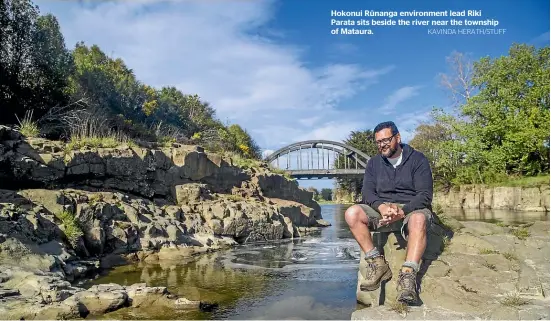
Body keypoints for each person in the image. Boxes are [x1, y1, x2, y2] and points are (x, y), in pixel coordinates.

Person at [344, 121, 434, 305]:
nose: (382, 145)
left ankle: (408, 277)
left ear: (398, 138)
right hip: (383, 209)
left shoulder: (418, 159)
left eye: (386, 140)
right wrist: (382, 207)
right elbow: (367, 193)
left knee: (418, 219)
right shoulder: (374, 164)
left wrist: (403, 211)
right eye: (378, 142)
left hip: (411, 208)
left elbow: (425, 195)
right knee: (352, 213)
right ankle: (378, 264)